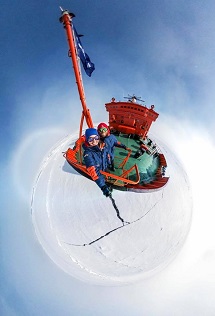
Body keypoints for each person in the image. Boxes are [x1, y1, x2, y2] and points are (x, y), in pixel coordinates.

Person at [83, 128, 112, 197]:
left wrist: (109, 161)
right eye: (90, 139)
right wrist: (103, 187)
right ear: (87, 140)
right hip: (99, 173)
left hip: (105, 167)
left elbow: (106, 154)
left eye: (96, 138)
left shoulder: (102, 145)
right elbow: (93, 171)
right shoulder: (88, 154)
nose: (94, 141)